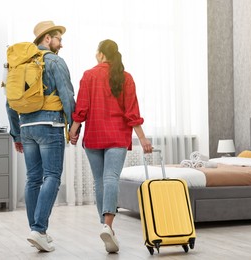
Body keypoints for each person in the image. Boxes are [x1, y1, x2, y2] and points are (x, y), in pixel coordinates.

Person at [69, 39, 152, 253]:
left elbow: (82, 108)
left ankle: (105, 226)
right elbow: (132, 112)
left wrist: (73, 130)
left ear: (99, 54)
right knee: (111, 179)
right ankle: (108, 226)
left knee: (100, 181)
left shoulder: (89, 75)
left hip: (94, 137)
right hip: (117, 136)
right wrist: (142, 139)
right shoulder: (126, 77)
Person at [5, 20, 75, 252]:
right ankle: (39, 230)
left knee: (33, 178)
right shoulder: (54, 61)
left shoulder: (20, 64)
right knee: (52, 176)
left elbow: (9, 103)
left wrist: (16, 133)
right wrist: (74, 125)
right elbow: (66, 94)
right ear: (47, 39)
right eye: (58, 39)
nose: (61, 44)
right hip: (50, 124)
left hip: (26, 127)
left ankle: (36, 230)